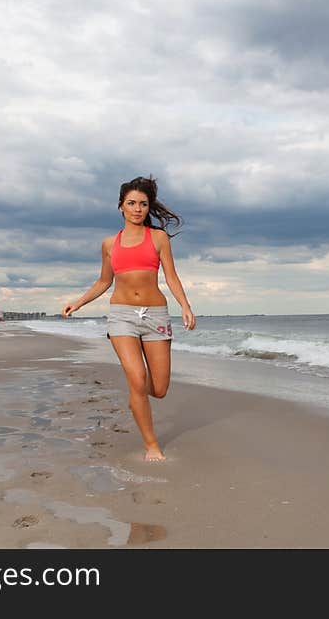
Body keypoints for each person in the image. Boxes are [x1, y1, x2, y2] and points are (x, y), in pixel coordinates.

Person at [62, 176, 196, 461]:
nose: (137, 209)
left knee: (158, 389)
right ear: (121, 206)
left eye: (143, 204)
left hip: (156, 315)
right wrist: (78, 302)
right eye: (131, 203)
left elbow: (171, 276)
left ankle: (138, 398)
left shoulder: (157, 238)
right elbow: (103, 282)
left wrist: (185, 305)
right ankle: (151, 445)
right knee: (136, 380)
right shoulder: (110, 244)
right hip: (121, 316)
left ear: (148, 208)